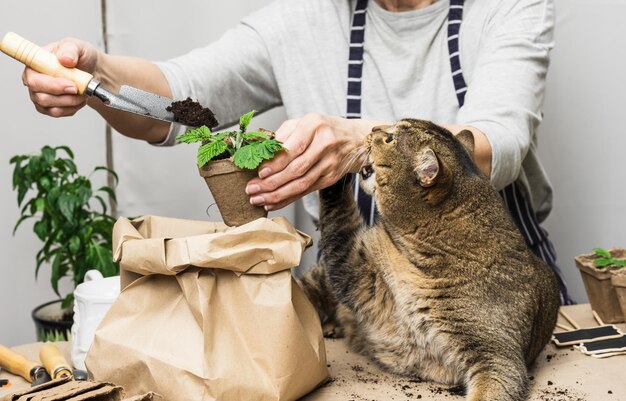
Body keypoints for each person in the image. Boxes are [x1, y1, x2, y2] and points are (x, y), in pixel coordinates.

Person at [22, 0, 572, 303]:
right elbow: (179, 93)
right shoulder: (300, 20)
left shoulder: (507, 8)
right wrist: (100, 73)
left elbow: (500, 141)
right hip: (365, 305)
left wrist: (362, 143)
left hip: (496, 293)